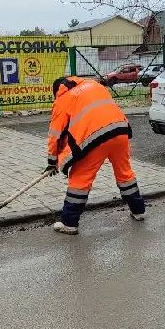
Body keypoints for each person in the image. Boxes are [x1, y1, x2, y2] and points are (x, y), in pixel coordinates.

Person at [43, 77, 146, 234]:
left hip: (95, 138)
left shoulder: (63, 98)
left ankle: (69, 223)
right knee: (125, 173)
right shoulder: (93, 85)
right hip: (120, 131)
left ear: (57, 90)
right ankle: (139, 211)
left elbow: (56, 134)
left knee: (80, 179)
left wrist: (52, 161)